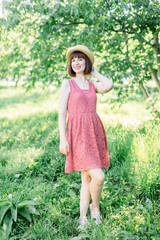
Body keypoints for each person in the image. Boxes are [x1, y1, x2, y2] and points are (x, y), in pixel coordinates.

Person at [59, 45, 114, 225]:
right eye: (73, 60)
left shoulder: (92, 85)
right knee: (99, 176)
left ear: (86, 62)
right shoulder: (67, 84)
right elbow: (61, 113)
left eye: (80, 59)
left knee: (87, 177)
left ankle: (83, 217)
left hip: (93, 132)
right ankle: (95, 208)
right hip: (77, 135)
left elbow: (109, 85)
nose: (76, 63)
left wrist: (95, 73)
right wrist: (62, 138)